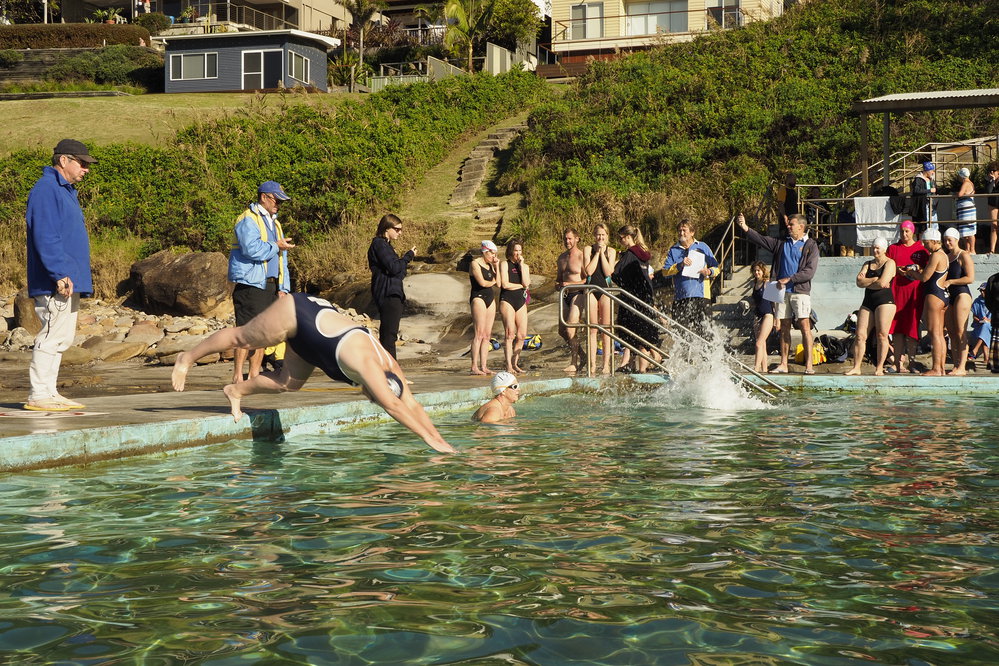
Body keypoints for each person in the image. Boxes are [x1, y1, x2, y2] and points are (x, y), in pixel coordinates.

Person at [171, 293, 454, 453]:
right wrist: (427, 439)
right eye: (374, 395)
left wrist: (440, 438)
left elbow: (411, 403)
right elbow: (393, 405)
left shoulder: (392, 367)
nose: (372, 398)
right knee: (244, 339)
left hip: (315, 342)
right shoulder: (368, 365)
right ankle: (188, 357)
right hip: (298, 313)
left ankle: (235, 391)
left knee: (286, 383)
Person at [24, 139, 98, 411]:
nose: (86, 169)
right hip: (56, 279)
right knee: (51, 334)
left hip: (68, 278)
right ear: (63, 160)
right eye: (82, 162)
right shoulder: (47, 189)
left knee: (62, 338)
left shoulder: (65, 191)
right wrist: (58, 273)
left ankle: (49, 392)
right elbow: (45, 235)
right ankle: (38, 395)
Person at [229, 180, 294, 384]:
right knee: (246, 332)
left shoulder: (275, 222)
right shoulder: (248, 219)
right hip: (251, 284)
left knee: (263, 334)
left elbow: (282, 259)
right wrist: (276, 245)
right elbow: (252, 250)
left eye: (281, 202)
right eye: (276, 200)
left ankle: (255, 375)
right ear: (264, 197)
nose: (278, 205)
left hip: (271, 285)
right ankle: (238, 376)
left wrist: (283, 287)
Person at [737, 213, 819, 374]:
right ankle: (783, 364)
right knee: (784, 327)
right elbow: (762, 239)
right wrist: (745, 228)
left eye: (792, 224)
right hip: (781, 291)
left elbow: (809, 271)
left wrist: (790, 279)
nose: (788, 226)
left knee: (804, 326)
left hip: (800, 291)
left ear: (801, 227)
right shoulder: (782, 243)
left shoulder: (810, 245)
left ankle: (809, 365)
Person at [612, 224, 661, 374]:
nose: (620, 242)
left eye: (621, 238)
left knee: (637, 337)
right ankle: (641, 368)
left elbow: (617, 275)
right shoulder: (643, 254)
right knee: (642, 337)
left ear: (628, 237)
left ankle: (641, 371)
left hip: (633, 300)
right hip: (645, 298)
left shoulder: (630, 255)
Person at [845, 237, 896, 376]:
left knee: (882, 335)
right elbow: (858, 282)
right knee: (860, 335)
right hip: (868, 302)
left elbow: (883, 283)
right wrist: (874, 279)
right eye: (873, 247)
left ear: (884, 249)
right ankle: (856, 367)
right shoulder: (867, 264)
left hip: (885, 302)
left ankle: (879, 367)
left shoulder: (890, 263)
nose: (875, 250)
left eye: (878, 248)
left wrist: (868, 281)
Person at [367, 213, 414, 359]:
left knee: (389, 335)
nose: (400, 232)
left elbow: (398, 272)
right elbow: (394, 268)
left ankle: (388, 373)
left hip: (393, 293)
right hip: (387, 293)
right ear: (387, 228)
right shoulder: (379, 244)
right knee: (389, 336)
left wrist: (401, 264)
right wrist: (408, 256)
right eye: (397, 229)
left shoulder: (386, 246)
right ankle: (391, 374)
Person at [662, 219, 719, 336]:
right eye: (679, 231)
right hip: (681, 297)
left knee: (705, 333)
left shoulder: (702, 246)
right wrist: (680, 265)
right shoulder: (673, 250)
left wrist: (709, 271)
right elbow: (665, 271)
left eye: (684, 230)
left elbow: (717, 268)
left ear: (692, 232)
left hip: (701, 296)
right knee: (681, 334)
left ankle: (707, 354)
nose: (681, 233)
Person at [886, 220, 928, 373]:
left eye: (907, 232)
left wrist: (916, 269)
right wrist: (897, 270)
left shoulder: (921, 249)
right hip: (897, 294)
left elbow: (927, 270)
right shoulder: (893, 249)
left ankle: (912, 362)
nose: (904, 234)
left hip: (914, 295)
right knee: (897, 329)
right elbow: (886, 266)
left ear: (913, 232)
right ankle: (898, 363)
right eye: (902, 231)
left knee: (911, 329)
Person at [582, 223, 617, 375]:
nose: (600, 238)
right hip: (591, 290)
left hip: (605, 290)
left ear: (607, 236)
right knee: (592, 329)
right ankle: (592, 365)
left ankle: (606, 365)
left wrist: (603, 254)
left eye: (603, 235)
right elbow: (588, 270)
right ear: (594, 236)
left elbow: (609, 272)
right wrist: (596, 253)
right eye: (598, 235)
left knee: (606, 330)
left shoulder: (611, 251)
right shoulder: (588, 250)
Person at [942, 226, 975, 375]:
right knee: (952, 332)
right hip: (950, 297)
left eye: (950, 240)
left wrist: (951, 282)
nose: (947, 243)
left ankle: (962, 367)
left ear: (956, 240)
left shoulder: (964, 255)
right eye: (945, 240)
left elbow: (970, 278)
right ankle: (956, 365)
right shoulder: (946, 257)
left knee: (961, 331)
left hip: (962, 295)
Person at [917, 228, 949, 376]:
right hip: (943, 295)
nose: (924, 245)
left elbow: (925, 277)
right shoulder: (944, 255)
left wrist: (912, 273)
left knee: (934, 333)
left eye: (926, 242)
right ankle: (941, 368)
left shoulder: (936, 255)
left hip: (934, 295)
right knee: (939, 334)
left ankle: (936, 368)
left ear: (935, 241)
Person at [556, 228, 586, 373]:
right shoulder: (561, 258)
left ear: (577, 239)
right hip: (564, 295)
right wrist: (559, 284)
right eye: (565, 238)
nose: (567, 241)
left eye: (570, 238)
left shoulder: (581, 257)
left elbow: (587, 279)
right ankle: (582, 355)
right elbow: (559, 278)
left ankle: (574, 362)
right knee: (562, 331)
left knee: (570, 329)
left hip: (577, 293)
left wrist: (571, 284)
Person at [498, 239, 530, 375]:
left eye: (520, 250)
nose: (518, 253)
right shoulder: (505, 264)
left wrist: (522, 266)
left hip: (520, 300)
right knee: (510, 334)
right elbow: (505, 284)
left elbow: (526, 283)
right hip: (507, 299)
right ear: (510, 251)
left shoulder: (525, 266)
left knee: (522, 335)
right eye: (515, 250)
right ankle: (508, 366)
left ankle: (514, 363)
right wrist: (521, 286)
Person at [468, 240, 499, 376]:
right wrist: (493, 281)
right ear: (485, 252)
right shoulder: (475, 263)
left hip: (490, 298)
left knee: (487, 335)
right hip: (478, 297)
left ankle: (484, 366)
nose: (494, 257)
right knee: (479, 334)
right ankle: (474, 366)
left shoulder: (490, 265)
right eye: (492, 254)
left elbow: (499, 282)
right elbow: (482, 282)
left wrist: (497, 267)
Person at [749, 261, 775, 373]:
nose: (756, 272)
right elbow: (756, 301)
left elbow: (774, 302)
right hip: (757, 315)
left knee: (759, 343)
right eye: (754, 270)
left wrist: (777, 320)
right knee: (762, 343)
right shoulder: (754, 284)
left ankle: (756, 368)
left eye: (758, 270)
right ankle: (764, 369)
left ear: (763, 271)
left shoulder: (767, 283)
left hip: (768, 315)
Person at [968, 282, 991, 370]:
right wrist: (980, 320)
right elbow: (974, 317)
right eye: (981, 291)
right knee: (984, 327)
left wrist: (988, 320)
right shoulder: (977, 301)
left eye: (984, 291)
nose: (982, 293)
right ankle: (986, 358)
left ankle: (974, 351)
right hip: (980, 325)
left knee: (986, 326)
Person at [954, 167, 977, 254]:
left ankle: (972, 249)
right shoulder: (970, 183)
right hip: (965, 209)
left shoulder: (966, 183)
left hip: (967, 210)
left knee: (969, 230)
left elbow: (960, 194)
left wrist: (954, 193)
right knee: (965, 231)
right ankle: (968, 249)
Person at [910, 161, 937, 231]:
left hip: (932, 204)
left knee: (934, 224)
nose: (933, 172)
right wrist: (929, 190)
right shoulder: (918, 179)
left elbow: (934, 189)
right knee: (926, 224)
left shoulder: (931, 179)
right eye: (931, 171)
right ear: (927, 171)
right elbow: (916, 190)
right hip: (923, 204)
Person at [986, 162, 999, 254]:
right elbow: (988, 192)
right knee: (993, 226)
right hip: (993, 204)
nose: (991, 172)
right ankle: (992, 250)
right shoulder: (989, 181)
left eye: (993, 171)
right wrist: (992, 181)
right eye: (990, 171)